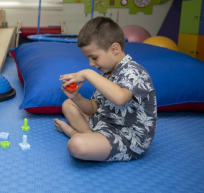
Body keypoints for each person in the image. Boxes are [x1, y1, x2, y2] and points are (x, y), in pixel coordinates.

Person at [54, 17, 157, 162]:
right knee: (68, 104)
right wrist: (75, 97)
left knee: (76, 146)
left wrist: (88, 74)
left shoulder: (134, 72)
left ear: (115, 49)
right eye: (89, 58)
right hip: (103, 123)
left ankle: (74, 133)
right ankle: (89, 135)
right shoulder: (107, 72)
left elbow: (120, 98)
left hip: (127, 138)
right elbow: (94, 108)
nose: (91, 63)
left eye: (94, 57)